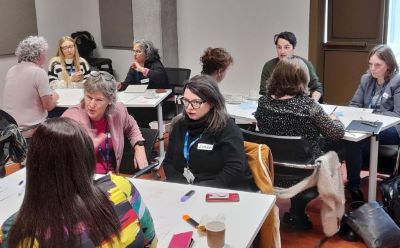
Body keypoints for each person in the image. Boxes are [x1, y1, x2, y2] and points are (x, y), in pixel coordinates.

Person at [0, 118, 156, 247]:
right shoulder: (120, 187)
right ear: (87, 158)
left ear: (34, 167)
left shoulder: (20, 233)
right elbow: (151, 240)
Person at [163, 75, 248, 188]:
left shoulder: (226, 128)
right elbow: (168, 163)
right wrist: (183, 187)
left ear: (212, 102)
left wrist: (201, 190)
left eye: (196, 102)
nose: (189, 108)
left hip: (217, 190)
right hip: (184, 189)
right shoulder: (179, 125)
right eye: (186, 101)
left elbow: (235, 169)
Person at [255, 57, 344, 163]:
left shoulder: (263, 103)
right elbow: (336, 133)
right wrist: (336, 120)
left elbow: (261, 128)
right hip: (307, 169)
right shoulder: (309, 106)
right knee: (341, 145)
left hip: (272, 167)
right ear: (303, 80)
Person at [62, 71, 148, 174]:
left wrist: (139, 145)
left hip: (112, 177)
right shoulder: (71, 117)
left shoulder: (118, 111)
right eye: (89, 97)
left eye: (99, 100)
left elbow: (131, 125)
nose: (91, 104)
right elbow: (59, 154)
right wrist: (83, 149)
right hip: (83, 179)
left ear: (110, 100)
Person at [345, 44, 400, 201]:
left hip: (392, 128)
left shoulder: (397, 81)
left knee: (359, 140)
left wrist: (370, 115)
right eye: (370, 64)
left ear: (389, 65)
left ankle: (354, 185)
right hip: (366, 125)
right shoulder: (366, 79)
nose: (373, 69)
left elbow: (397, 114)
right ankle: (353, 185)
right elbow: (355, 104)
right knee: (350, 141)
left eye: (377, 65)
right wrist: (359, 114)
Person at [1, 36, 59, 139]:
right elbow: (48, 106)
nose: (45, 56)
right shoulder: (38, 72)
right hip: (31, 131)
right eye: (44, 53)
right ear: (39, 55)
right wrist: (55, 96)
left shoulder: (11, 70)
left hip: (11, 130)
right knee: (60, 118)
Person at [259, 31, 323, 102]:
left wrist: (313, 102)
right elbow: (263, 92)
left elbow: (317, 88)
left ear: (293, 48)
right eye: (279, 47)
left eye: (286, 47)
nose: (282, 51)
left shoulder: (304, 64)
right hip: (276, 105)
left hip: (302, 105)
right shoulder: (269, 66)